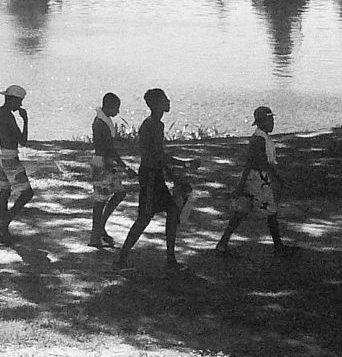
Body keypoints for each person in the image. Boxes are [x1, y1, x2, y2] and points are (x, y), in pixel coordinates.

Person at [113, 88, 198, 272]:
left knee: (172, 210)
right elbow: (158, 155)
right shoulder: (153, 126)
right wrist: (184, 165)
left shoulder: (154, 124)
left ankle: (170, 258)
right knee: (144, 218)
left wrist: (173, 173)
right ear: (157, 103)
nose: (168, 101)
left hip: (154, 174)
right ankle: (121, 259)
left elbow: (158, 156)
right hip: (150, 176)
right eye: (165, 99)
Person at [216, 106, 300, 257]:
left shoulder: (262, 137)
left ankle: (223, 242)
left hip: (255, 178)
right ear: (263, 122)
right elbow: (260, 162)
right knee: (271, 211)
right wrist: (276, 177)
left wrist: (243, 182)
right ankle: (278, 246)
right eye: (270, 120)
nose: (273, 123)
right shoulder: (259, 139)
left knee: (242, 210)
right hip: (259, 180)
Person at [0, 84, 34, 244]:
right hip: (9, 156)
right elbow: (23, 141)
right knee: (27, 193)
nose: (20, 105)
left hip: (0, 152)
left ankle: (3, 231)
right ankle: (3, 224)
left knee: (5, 190)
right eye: (19, 101)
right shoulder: (8, 116)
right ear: (13, 99)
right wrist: (26, 120)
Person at [88, 92, 131, 249]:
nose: (118, 112)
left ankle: (100, 227)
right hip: (102, 164)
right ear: (108, 106)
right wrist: (123, 166)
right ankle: (95, 235)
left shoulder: (104, 121)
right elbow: (109, 149)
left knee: (119, 192)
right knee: (100, 201)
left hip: (106, 163)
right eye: (116, 108)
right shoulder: (101, 123)